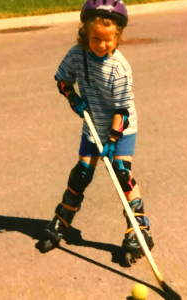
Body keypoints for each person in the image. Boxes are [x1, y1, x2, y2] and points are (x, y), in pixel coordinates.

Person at [37, 0, 154, 262]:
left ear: (118, 37)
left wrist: (112, 141)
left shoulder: (120, 68)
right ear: (85, 33)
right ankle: (62, 220)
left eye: (107, 40)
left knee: (122, 174)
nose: (101, 44)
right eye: (95, 38)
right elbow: (63, 80)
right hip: (93, 124)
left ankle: (139, 228)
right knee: (81, 174)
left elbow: (122, 111)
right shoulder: (77, 54)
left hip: (119, 128)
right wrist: (73, 98)